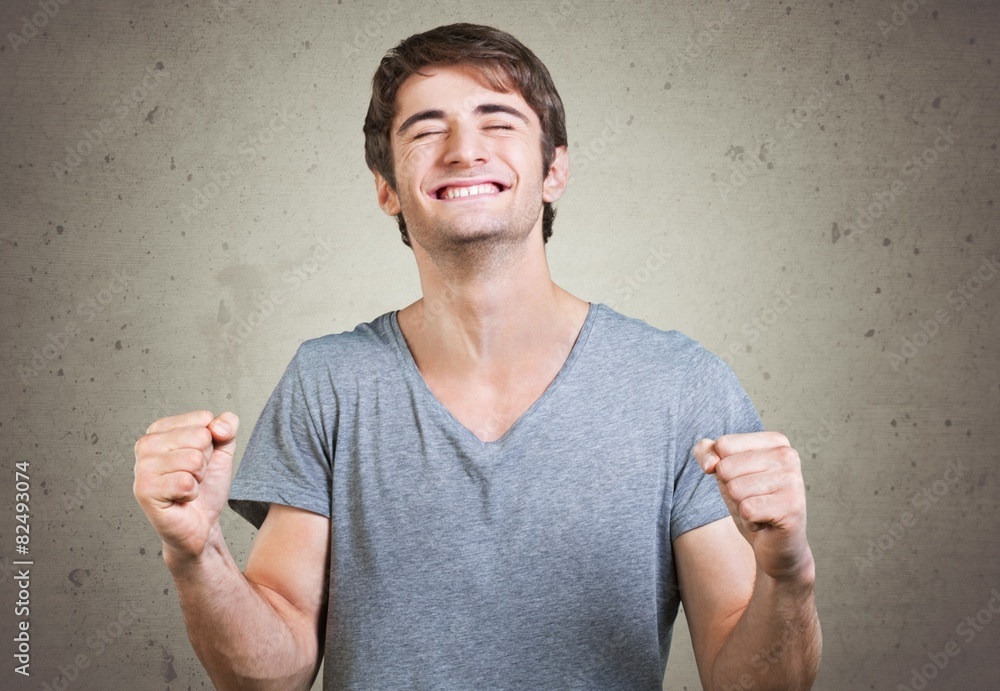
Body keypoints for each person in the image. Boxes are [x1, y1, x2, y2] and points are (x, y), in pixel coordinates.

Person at [133, 23, 821, 690]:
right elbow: (270, 674)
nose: (464, 149)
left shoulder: (681, 388)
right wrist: (198, 556)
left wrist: (787, 574)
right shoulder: (330, 382)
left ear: (554, 169)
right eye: (426, 129)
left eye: (498, 121)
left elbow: (752, 683)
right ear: (386, 189)